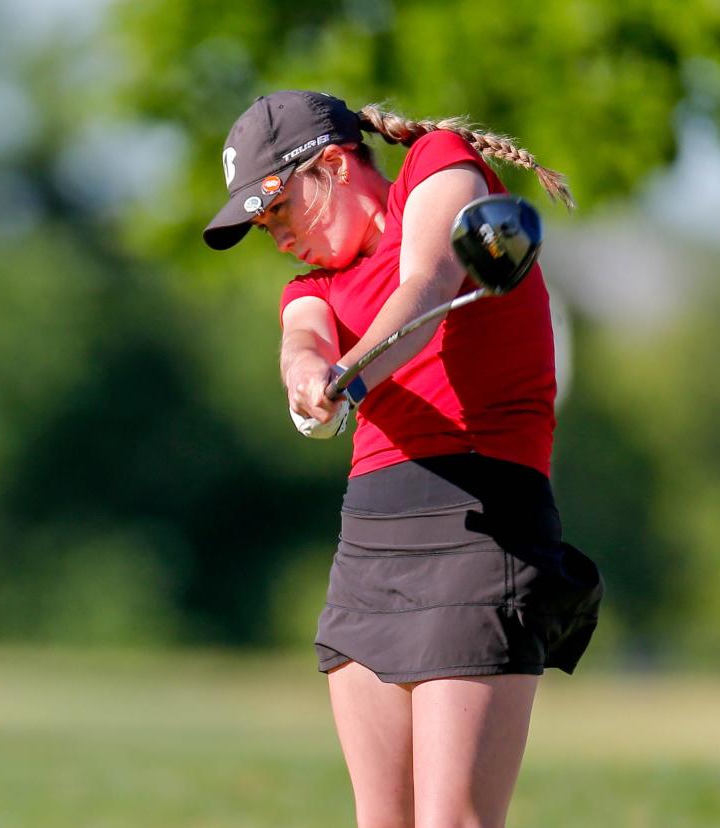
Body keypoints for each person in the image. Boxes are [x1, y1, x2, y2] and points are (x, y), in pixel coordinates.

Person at [202, 90, 604, 828]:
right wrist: (305, 375)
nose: (275, 235)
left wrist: (349, 372)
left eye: (279, 210)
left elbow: (424, 282)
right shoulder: (312, 285)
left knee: (452, 821)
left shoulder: (438, 166)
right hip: (370, 546)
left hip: (482, 529)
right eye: (261, 225)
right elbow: (303, 336)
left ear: (330, 165)